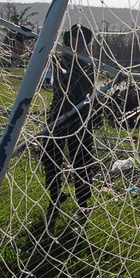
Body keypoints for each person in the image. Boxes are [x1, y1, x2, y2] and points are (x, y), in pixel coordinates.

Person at [40, 24, 98, 220]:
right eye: (76, 37)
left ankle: (83, 203)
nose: (80, 41)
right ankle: (55, 197)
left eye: (84, 38)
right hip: (58, 114)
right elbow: (31, 56)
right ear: (68, 39)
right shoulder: (58, 58)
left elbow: (91, 91)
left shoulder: (91, 63)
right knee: (51, 157)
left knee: (82, 161)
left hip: (81, 117)